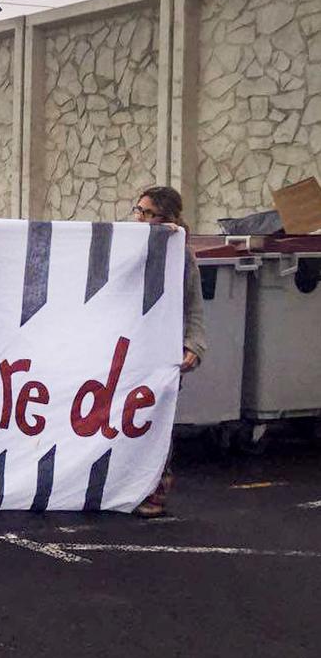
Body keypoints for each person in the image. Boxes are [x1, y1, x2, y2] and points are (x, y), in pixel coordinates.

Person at [129, 185, 207, 518]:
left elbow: (194, 306)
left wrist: (194, 345)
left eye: (150, 214)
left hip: (160, 352)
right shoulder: (125, 246)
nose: (141, 219)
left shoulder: (182, 256)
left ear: (168, 219)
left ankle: (157, 486)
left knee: (155, 420)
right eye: (139, 210)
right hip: (126, 350)